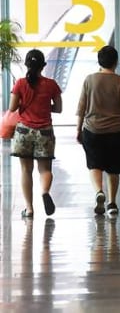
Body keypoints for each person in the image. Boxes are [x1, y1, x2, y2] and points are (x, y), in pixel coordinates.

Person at [76, 46, 120, 216]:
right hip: (116, 130)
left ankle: (99, 191)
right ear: (116, 62)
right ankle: (112, 203)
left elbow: (81, 107)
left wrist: (78, 129)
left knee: (94, 164)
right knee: (113, 168)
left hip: (92, 129)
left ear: (99, 61)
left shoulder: (89, 80)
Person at [9, 49, 62, 218]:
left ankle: (29, 209)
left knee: (26, 170)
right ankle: (45, 192)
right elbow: (59, 108)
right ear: (43, 65)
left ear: (27, 64)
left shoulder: (20, 83)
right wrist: (46, 106)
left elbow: (12, 108)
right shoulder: (51, 84)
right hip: (45, 131)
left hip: (24, 131)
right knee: (44, 169)